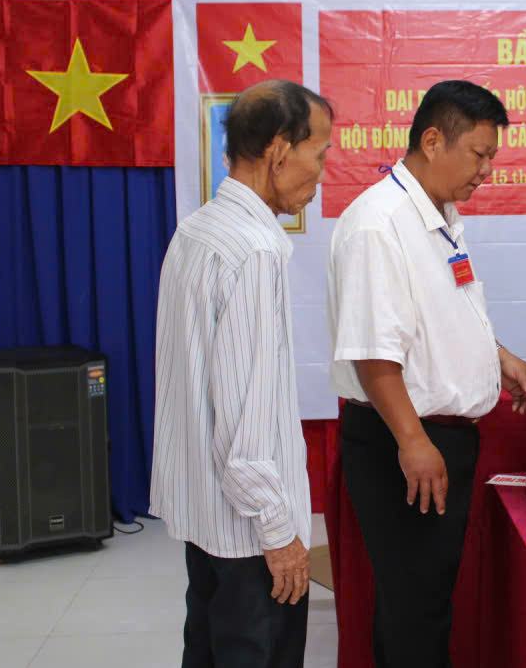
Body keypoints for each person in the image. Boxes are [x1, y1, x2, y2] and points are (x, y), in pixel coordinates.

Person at [326, 79, 526, 668]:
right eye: (478, 155)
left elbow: (445, 313)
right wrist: (414, 442)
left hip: (434, 438)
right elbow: (374, 352)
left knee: (420, 603)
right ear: (431, 141)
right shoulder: (379, 224)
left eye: (491, 157)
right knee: (415, 610)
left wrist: (501, 360)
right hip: (402, 441)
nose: (486, 171)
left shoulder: (440, 214)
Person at [151, 80, 333, 668]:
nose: (320, 173)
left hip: (205, 517)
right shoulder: (255, 250)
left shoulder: (197, 229)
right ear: (279, 149)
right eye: (318, 154)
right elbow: (244, 415)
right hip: (248, 532)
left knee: (206, 648)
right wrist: (279, 531)